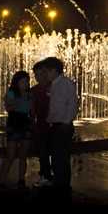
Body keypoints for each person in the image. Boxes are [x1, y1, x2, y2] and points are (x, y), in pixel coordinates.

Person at [43, 57, 78, 194]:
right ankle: (59, 183)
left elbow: (73, 104)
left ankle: (62, 187)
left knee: (61, 157)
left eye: (46, 71)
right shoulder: (54, 84)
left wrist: (66, 122)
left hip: (62, 126)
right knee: (57, 157)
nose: (45, 74)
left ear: (54, 71)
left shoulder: (65, 83)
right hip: (55, 125)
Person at [0, 71, 32, 189]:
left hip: (26, 124)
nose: (25, 84)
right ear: (16, 82)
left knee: (23, 155)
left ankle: (21, 180)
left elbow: (32, 110)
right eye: (23, 81)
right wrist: (19, 101)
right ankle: (1, 181)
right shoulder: (12, 93)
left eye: (27, 81)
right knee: (10, 155)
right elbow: (8, 107)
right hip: (14, 123)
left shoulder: (30, 94)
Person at [31, 61, 53, 187]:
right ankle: (45, 175)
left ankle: (50, 176)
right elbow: (32, 110)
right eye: (36, 74)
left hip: (54, 124)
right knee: (43, 152)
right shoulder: (34, 90)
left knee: (52, 152)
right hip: (41, 125)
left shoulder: (55, 87)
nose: (38, 77)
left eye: (41, 73)